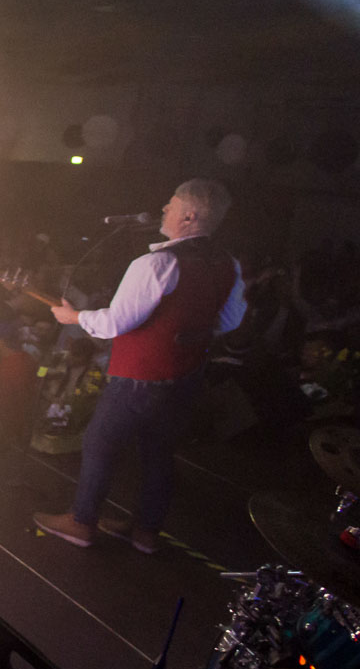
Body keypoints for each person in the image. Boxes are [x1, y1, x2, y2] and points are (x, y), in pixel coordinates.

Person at [34, 180, 246, 553]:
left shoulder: (156, 263)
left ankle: (81, 522)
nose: (163, 210)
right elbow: (229, 321)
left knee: (99, 444)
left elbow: (116, 323)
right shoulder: (228, 263)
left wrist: (74, 317)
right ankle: (146, 533)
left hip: (139, 377)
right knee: (159, 454)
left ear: (188, 216)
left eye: (170, 205)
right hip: (186, 377)